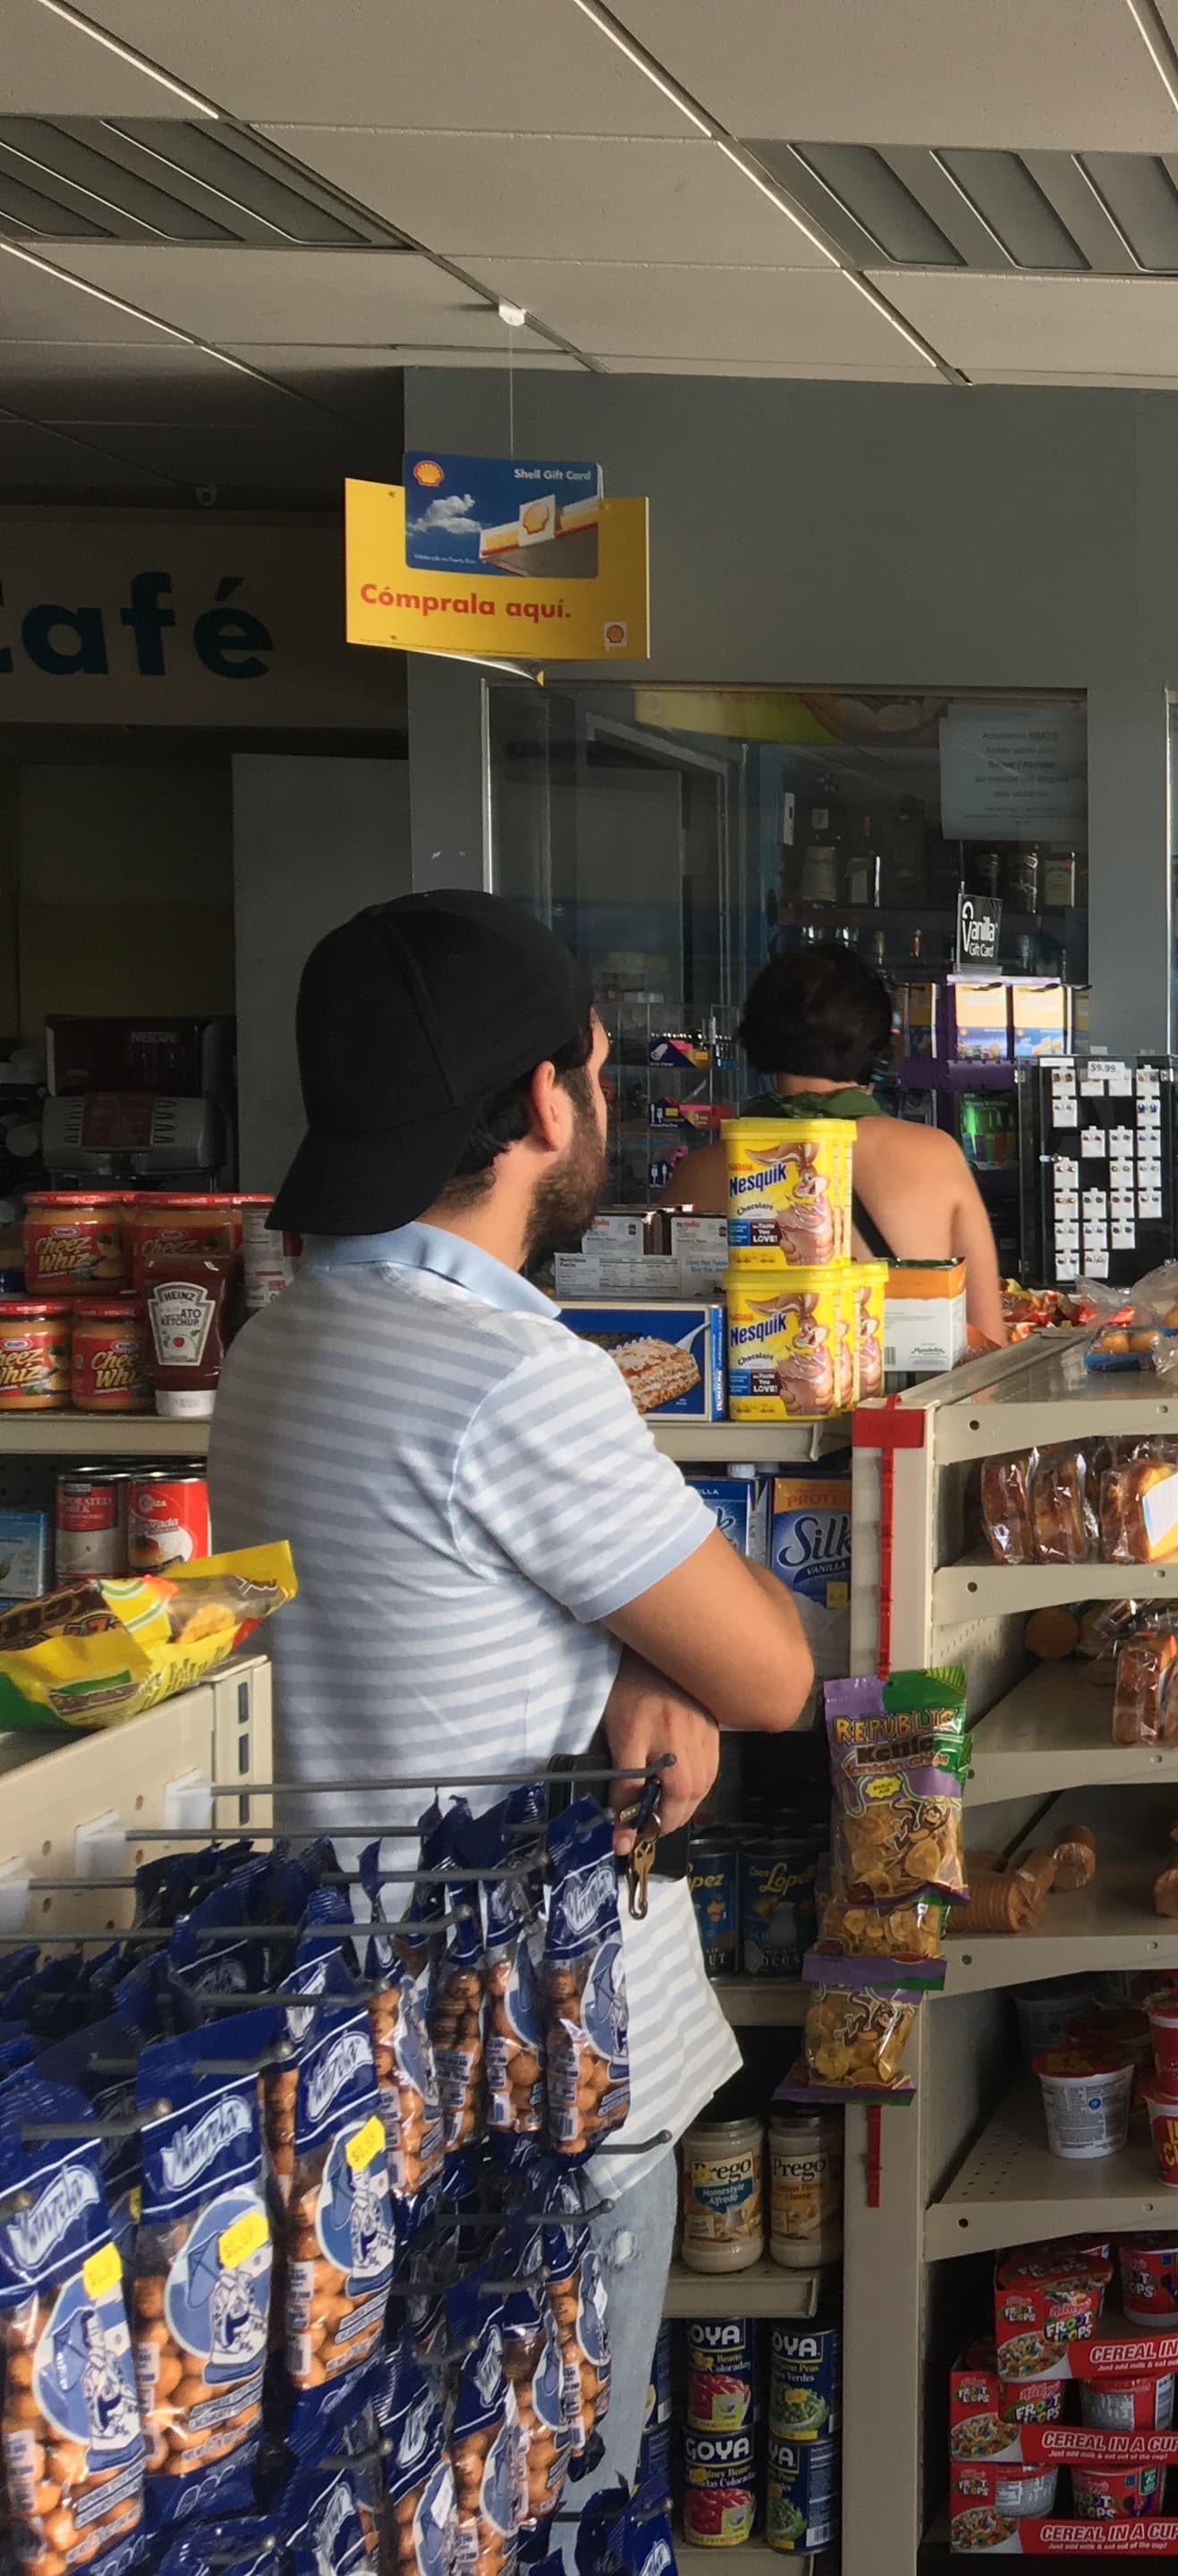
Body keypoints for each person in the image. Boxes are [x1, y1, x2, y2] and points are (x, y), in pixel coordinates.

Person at [213, 890, 817, 2525]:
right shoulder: (505, 1373)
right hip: (524, 2065)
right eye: (602, 1072)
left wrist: (630, 1651)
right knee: (555, 2495)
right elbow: (770, 1671)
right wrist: (674, 1651)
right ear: (551, 1102)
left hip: (349, 2045)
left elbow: (470, 1589)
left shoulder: (287, 1335)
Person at [665, 943, 1004, 1348]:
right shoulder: (934, 1155)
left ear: (755, 1040)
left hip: (751, 1400)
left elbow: (676, 1342)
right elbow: (987, 1345)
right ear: (876, 1050)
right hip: (899, 1409)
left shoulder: (699, 1172)